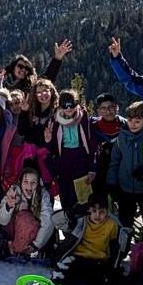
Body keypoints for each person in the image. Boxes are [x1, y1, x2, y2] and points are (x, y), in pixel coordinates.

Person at [101, 100, 143, 239]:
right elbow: (114, 162)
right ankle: (123, 247)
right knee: (124, 223)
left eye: (137, 121)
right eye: (130, 120)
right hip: (125, 188)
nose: (133, 124)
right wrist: (111, 183)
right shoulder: (122, 137)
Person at [51, 199, 129, 285]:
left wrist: (113, 266)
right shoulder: (81, 220)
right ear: (88, 210)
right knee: (64, 270)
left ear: (107, 212)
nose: (97, 215)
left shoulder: (112, 225)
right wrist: (73, 212)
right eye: (94, 211)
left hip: (98, 261)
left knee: (109, 280)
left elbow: (117, 248)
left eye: (101, 212)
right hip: (78, 258)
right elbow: (55, 220)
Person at [46, 90, 97, 225]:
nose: (69, 108)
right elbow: (52, 149)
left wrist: (92, 168)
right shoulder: (55, 120)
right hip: (64, 162)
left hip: (81, 160)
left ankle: (85, 227)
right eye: (65, 105)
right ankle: (70, 226)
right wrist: (48, 140)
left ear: (77, 104)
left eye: (72, 104)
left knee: (83, 198)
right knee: (66, 196)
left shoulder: (84, 119)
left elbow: (92, 144)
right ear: (59, 105)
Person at [0, 161, 54, 259]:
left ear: (38, 183)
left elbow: (48, 220)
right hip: (13, 232)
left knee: (29, 220)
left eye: (33, 182)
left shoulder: (43, 195)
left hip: (33, 235)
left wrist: (36, 244)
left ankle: (25, 250)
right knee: (24, 217)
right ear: (20, 182)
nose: (29, 186)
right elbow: (0, 221)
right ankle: (15, 247)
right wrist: (8, 206)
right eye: (26, 182)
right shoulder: (14, 192)